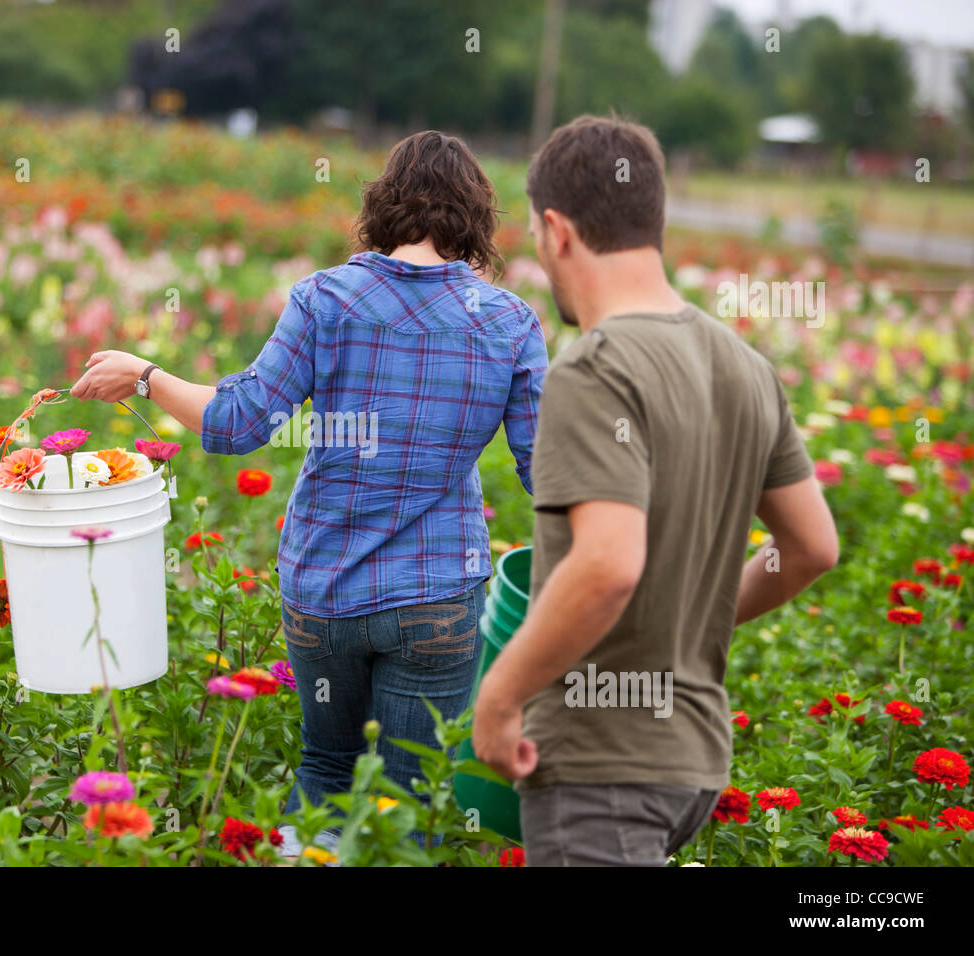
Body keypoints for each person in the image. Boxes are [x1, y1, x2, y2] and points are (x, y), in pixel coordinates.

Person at [70, 130, 548, 858]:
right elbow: (545, 469)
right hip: (438, 598)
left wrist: (146, 375)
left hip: (326, 592)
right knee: (404, 799)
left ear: (383, 204)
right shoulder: (511, 323)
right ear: (477, 219)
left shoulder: (324, 298)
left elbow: (237, 424)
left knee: (325, 767)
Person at [471, 115, 839, 867]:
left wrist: (501, 697)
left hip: (602, 762)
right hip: (691, 760)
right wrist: (692, 616)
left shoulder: (594, 368)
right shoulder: (742, 364)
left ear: (556, 230)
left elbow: (606, 565)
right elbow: (810, 549)